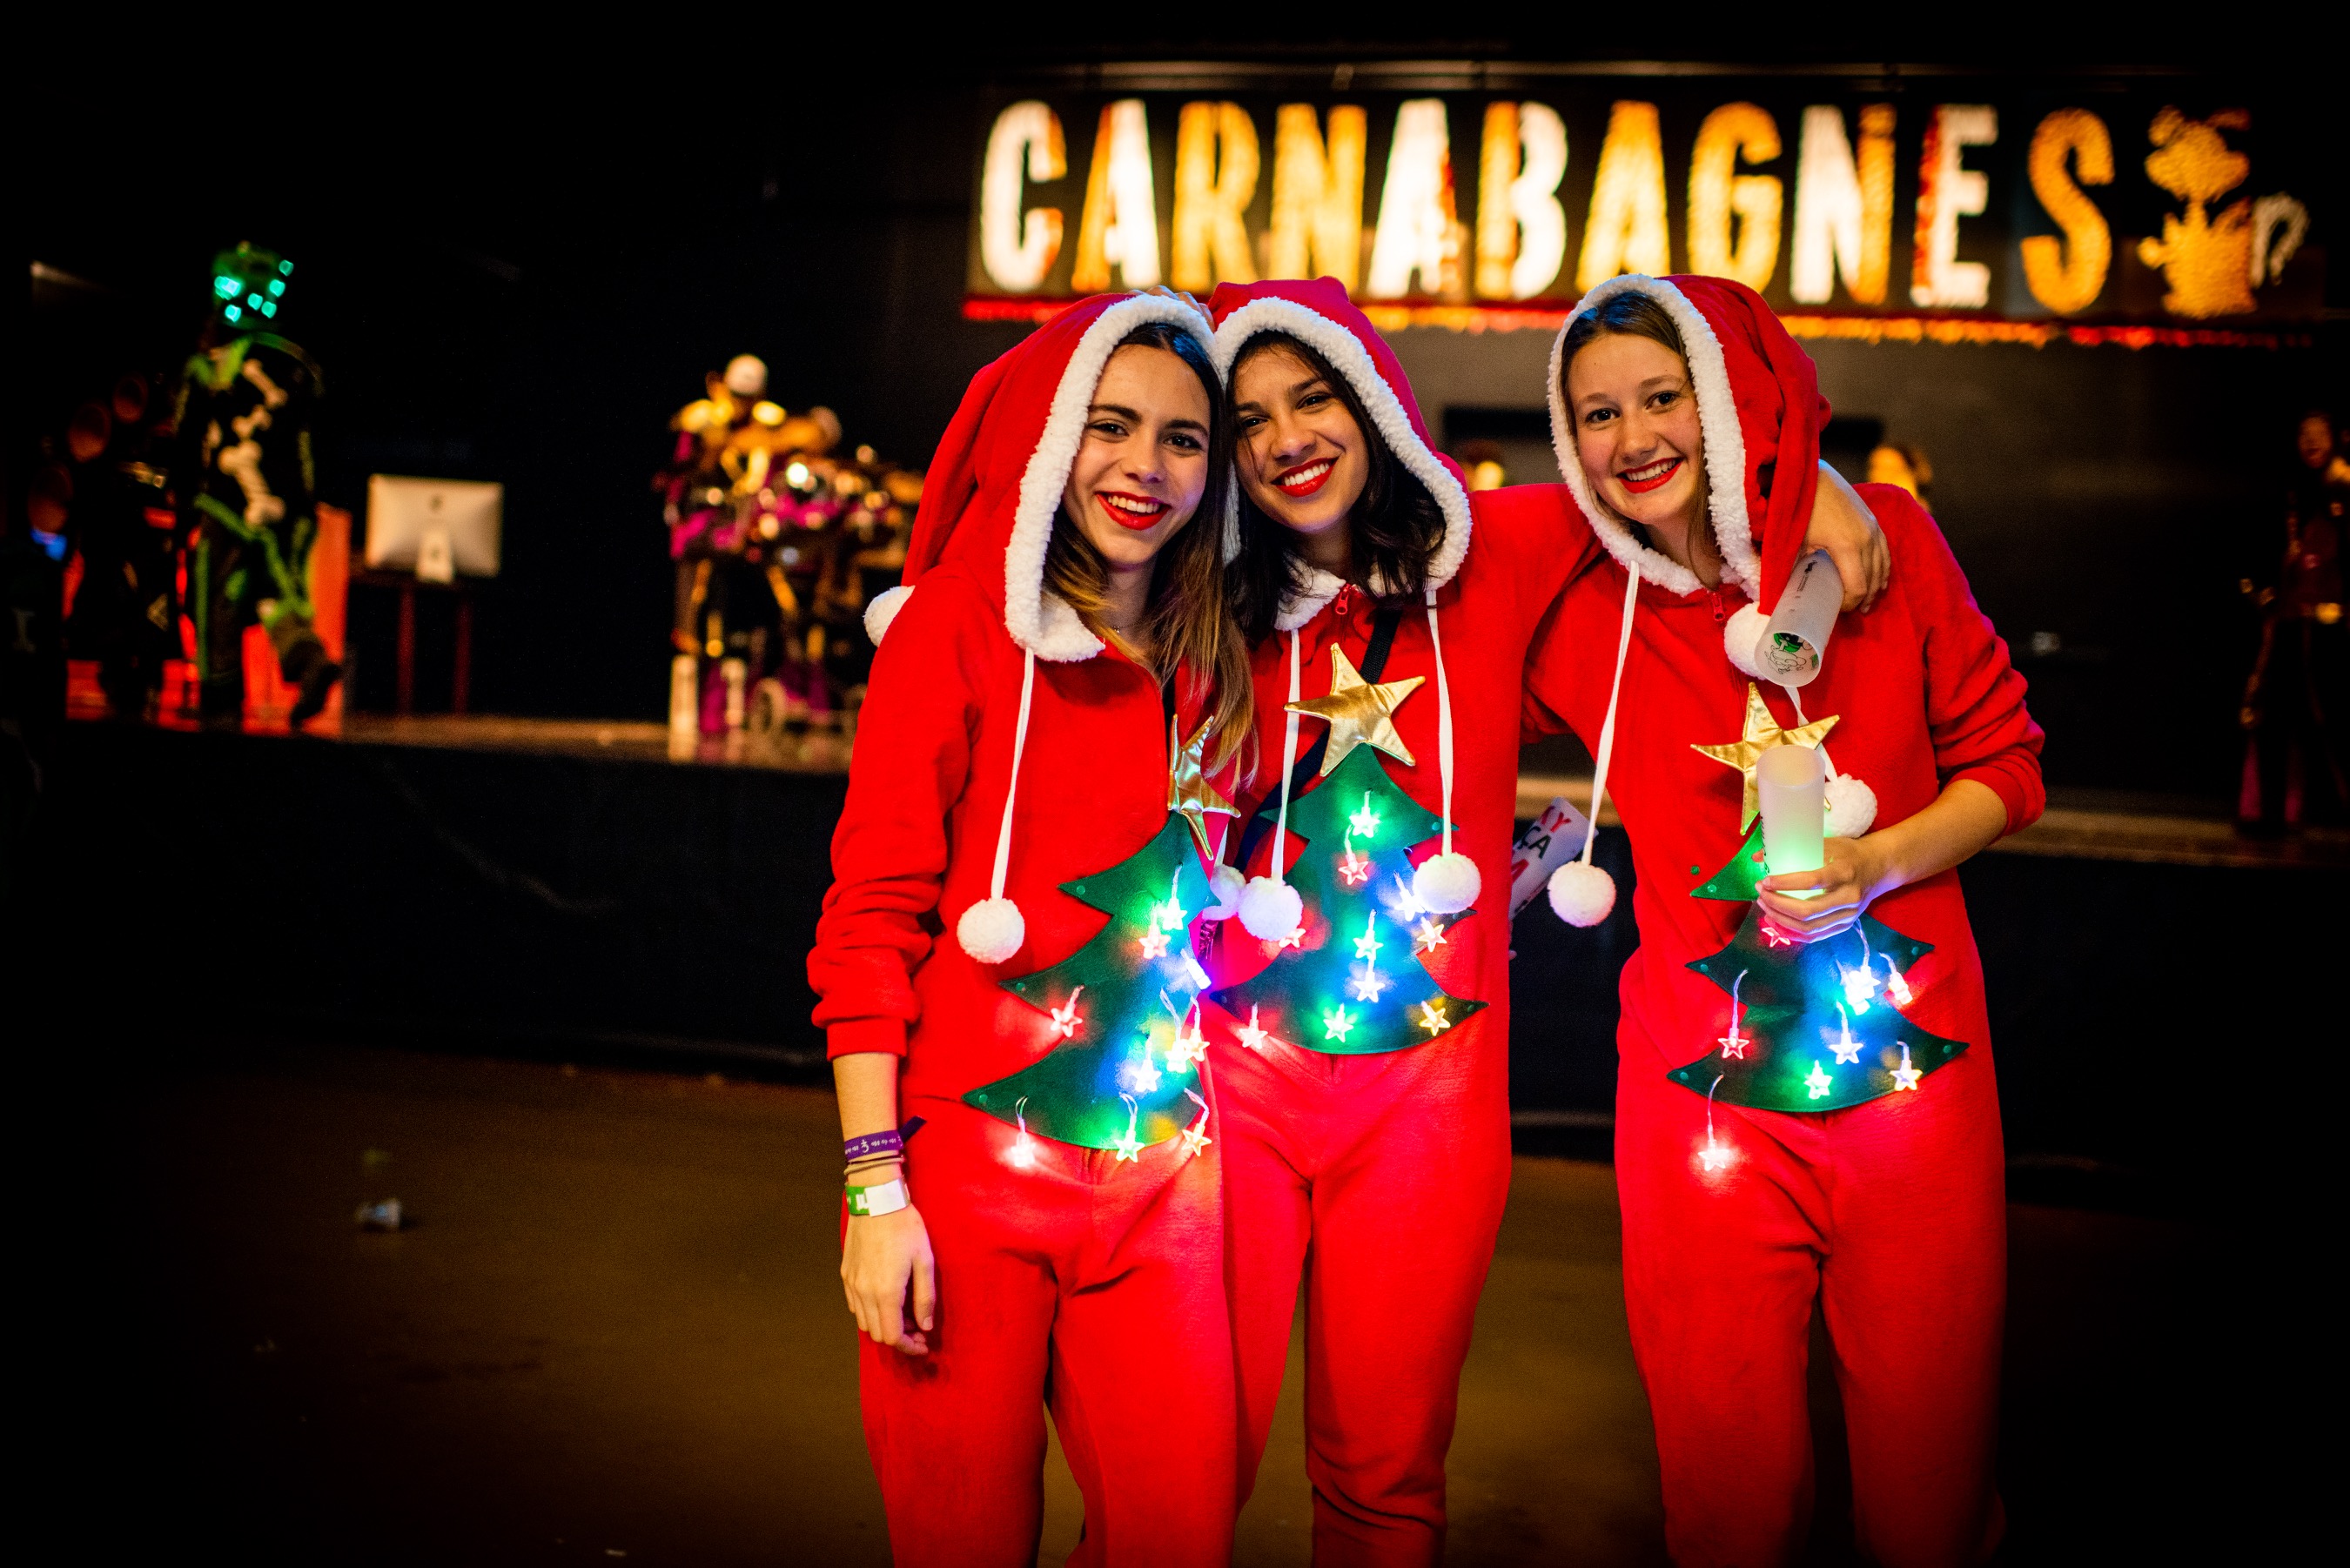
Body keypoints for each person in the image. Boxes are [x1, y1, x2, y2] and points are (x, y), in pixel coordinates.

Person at [1198, 275, 1885, 1564]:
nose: (1286, 438)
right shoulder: (1199, 593)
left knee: (1386, 1474)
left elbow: (1670, 464)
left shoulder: (1496, 550)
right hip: (1227, 1079)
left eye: (1313, 397)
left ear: (1373, 401)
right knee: (1179, 1470)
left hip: (1431, 1095)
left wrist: (1822, 492)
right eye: (1247, 420)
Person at [1523, 274, 2044, 1566]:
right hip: (1701, 1106)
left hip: (1914, 1089)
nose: (1633, 436)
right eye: (1598, 412)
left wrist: (1877, 863)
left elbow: (2009, 763)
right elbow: (1399, 543)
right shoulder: (1579, 601)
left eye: (1664, 397)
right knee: (1727, 1501)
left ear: (1728, 400)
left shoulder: (1886, 546)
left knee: (1928, 1501)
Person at [805, 290, 1255, 1567]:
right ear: (1053, 436)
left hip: (1162, 1180)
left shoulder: (1218, 658)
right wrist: (876, 1188)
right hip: (963, 1184)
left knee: (1183, 1531)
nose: (1145, 464)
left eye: (1182, 438)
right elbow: (869, 919)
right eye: (1111, 425)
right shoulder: (952, 625)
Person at [171, 242, 341, 727]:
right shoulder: (302, 365)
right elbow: (321, 440)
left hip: (229, 503)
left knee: (216, 601)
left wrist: (183, 499)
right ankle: (308, 660)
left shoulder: (209, 366)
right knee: (273, 593)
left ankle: (220, 703)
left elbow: (185, 443)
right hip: (293, 509)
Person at [2237, 410, 2347, 831]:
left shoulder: (2341, 488)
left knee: (2331, 717)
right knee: (2274, 716)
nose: (2312, 441)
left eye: (2320, 433)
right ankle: (2271, 813)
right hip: (2290, 621)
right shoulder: (2291, 493)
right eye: (2305, 433)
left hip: (2330, 626)